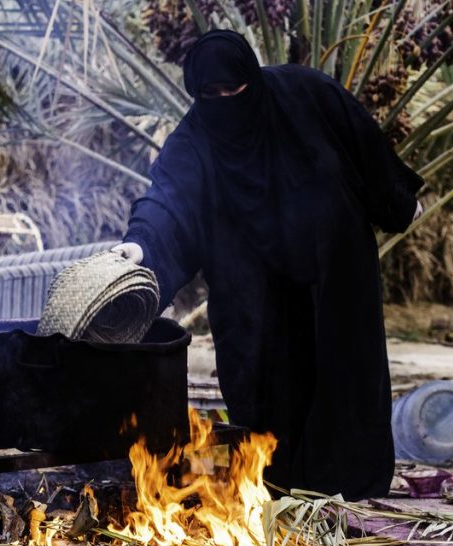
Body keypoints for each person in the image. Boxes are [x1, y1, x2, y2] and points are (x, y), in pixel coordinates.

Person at [113, 30, 424, 500]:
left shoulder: (308, 95)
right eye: (209, 94)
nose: (223, 102)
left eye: (232, 90)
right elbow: (167, 201)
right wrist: (139, 248)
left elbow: (366, 150)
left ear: (251, 78)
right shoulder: (196, 136)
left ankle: (346, 491)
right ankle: (272, 486)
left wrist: (398, 204)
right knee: (262, 381)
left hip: (333, 270)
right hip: (250, 288)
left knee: (343, 374)